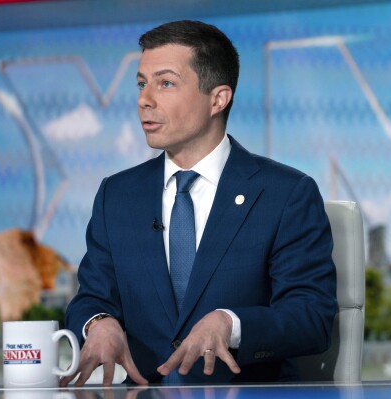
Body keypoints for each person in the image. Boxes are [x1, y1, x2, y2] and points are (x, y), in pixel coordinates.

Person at [63, 20, 337, 386]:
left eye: (166, 83)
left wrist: (231, 324)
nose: (145, 99)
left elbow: (310, 318)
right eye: (142, 84)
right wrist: (99, 323)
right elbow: (91, 297)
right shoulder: (117, 196)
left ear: (218, 98)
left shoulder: (286, 193)